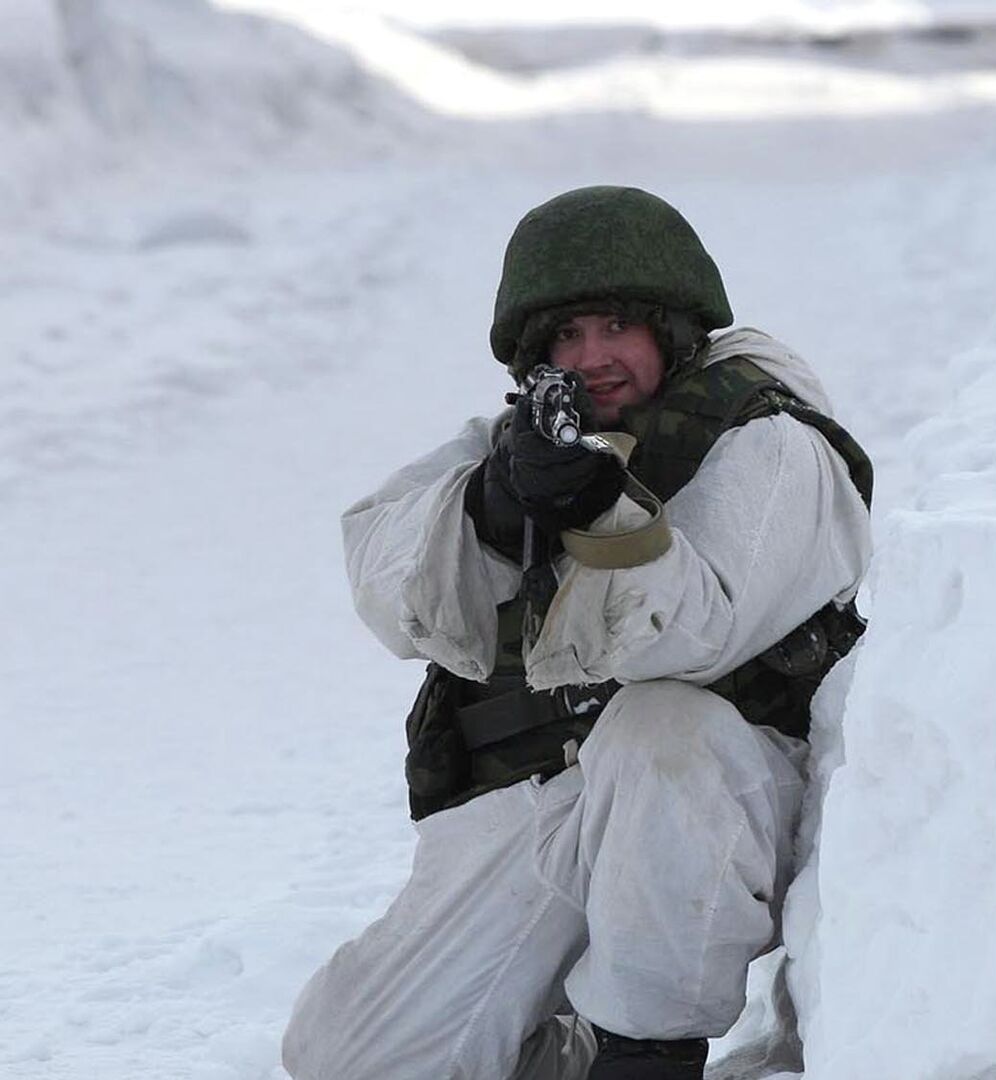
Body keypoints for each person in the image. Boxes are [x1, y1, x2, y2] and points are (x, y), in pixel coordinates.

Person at [282, 185, 874, 1080]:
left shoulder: (771, 442)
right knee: (349, 1057)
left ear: (670, 330)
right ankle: (572, 1055)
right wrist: (488, 506)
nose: (591, 358)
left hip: (731, 798)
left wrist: (601, 512)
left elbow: (691, 634)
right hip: (562, 788)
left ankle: (645, 1049)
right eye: (564, 337)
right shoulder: (531, 441)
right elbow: (382, 574)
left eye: (614, 327)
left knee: (661, 728)